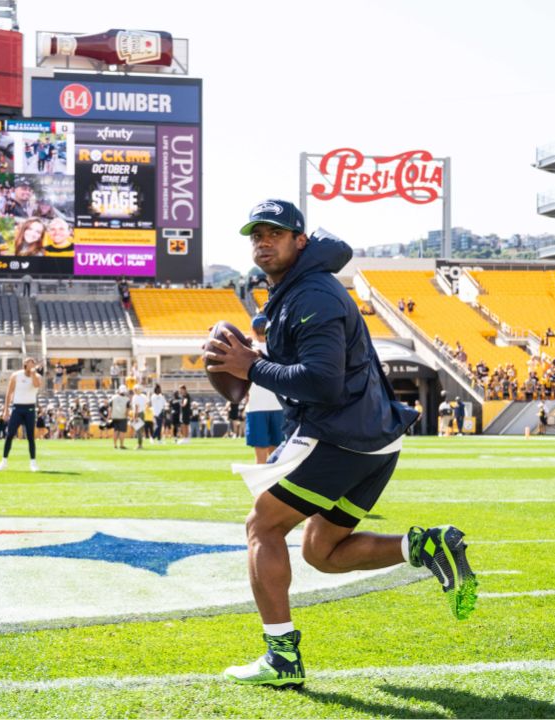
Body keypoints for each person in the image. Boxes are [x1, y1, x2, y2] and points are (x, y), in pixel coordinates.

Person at [206, 199, 475, 689]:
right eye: (256, 235)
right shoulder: (296, 290)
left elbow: (323, 382)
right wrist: (261, 355)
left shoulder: (312, 295)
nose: (263, 242)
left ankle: (281, 658)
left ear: (300, 241)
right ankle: (426, 545)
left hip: (340, 435)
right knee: (321, 551)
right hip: (370, 437)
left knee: (262, 526)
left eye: (275, 233)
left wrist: (251, 367)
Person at [244, 315, 286, 463]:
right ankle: (274, 486)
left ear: (252, 331)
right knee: (276, 453)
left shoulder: (248, 351)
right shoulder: (279, 349)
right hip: (279, 405)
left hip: (256, 406)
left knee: (260, 455)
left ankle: (262, 487)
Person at [0, 358, 42, 471]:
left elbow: (36, 385)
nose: (32, 365)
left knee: (30, 437)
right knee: (10, 434)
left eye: (33, 364)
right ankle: (4, 461)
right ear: (25, 365)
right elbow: (9, 393)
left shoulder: (37, 376)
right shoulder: (16, 375)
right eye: (30, 363)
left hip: (30, 408)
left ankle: (33, 463)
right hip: (17, 408)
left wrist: (33, 374)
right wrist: (6, 410)